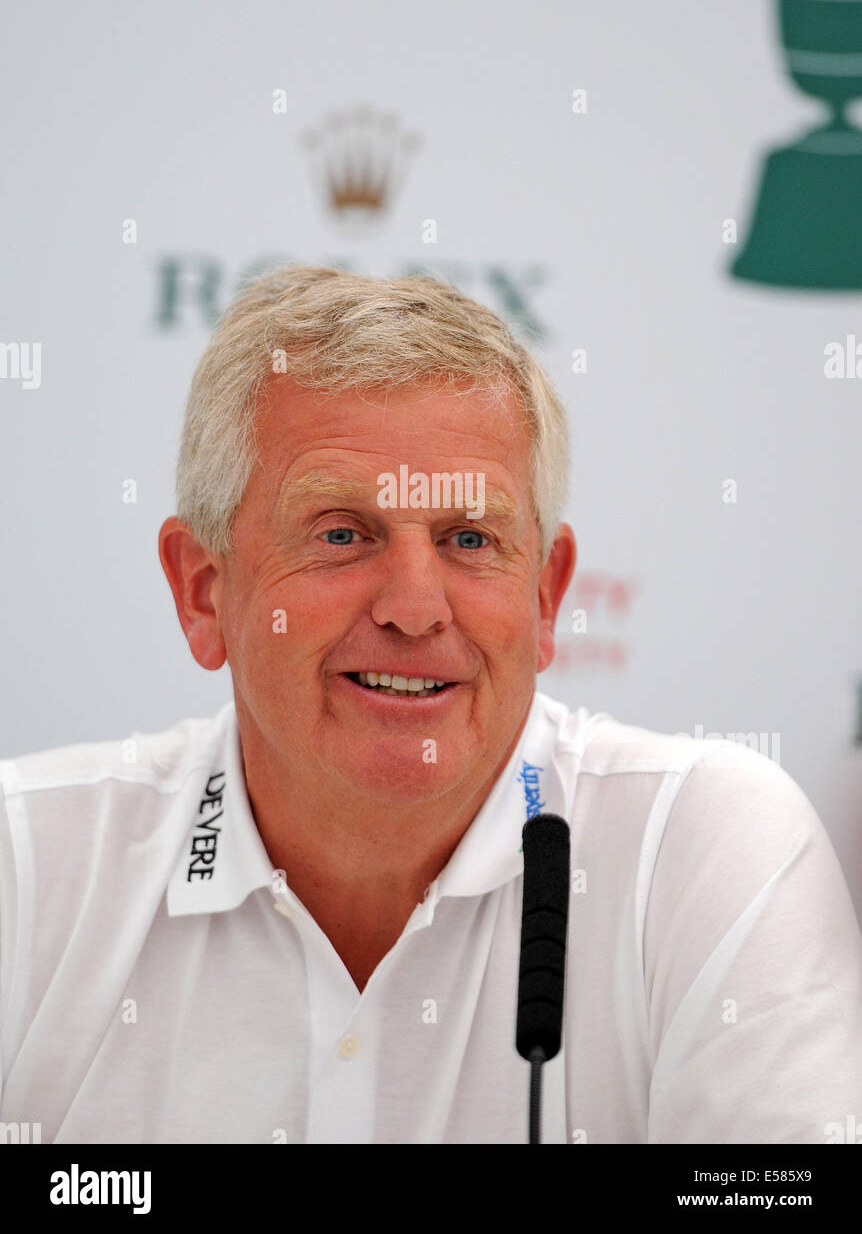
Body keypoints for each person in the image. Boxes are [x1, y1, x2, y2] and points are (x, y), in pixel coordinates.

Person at [1, 265, 860, 1144]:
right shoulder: (26, 868)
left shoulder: (700, 844)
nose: (415, 607)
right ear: (203, 590)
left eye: (468, 539)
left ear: (543, 595)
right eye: (341, 533)